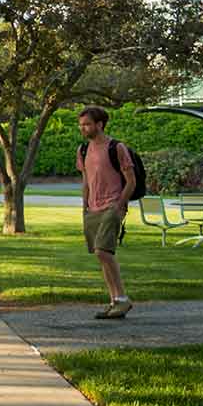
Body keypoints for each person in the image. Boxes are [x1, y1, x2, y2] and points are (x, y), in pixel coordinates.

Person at [76, 106, 136, 320]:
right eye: (81, 125)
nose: (83, 128)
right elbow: (86, 181)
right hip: (92, 209)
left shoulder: (116, 147)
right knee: (101, 256)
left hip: (112, 206)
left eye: (87, 124)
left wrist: (120, 204)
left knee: (104, 251)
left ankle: (122, 299)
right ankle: (115, 302)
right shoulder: (83, 150)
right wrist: (84, 206)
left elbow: (131, 181)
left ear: (99, 124)